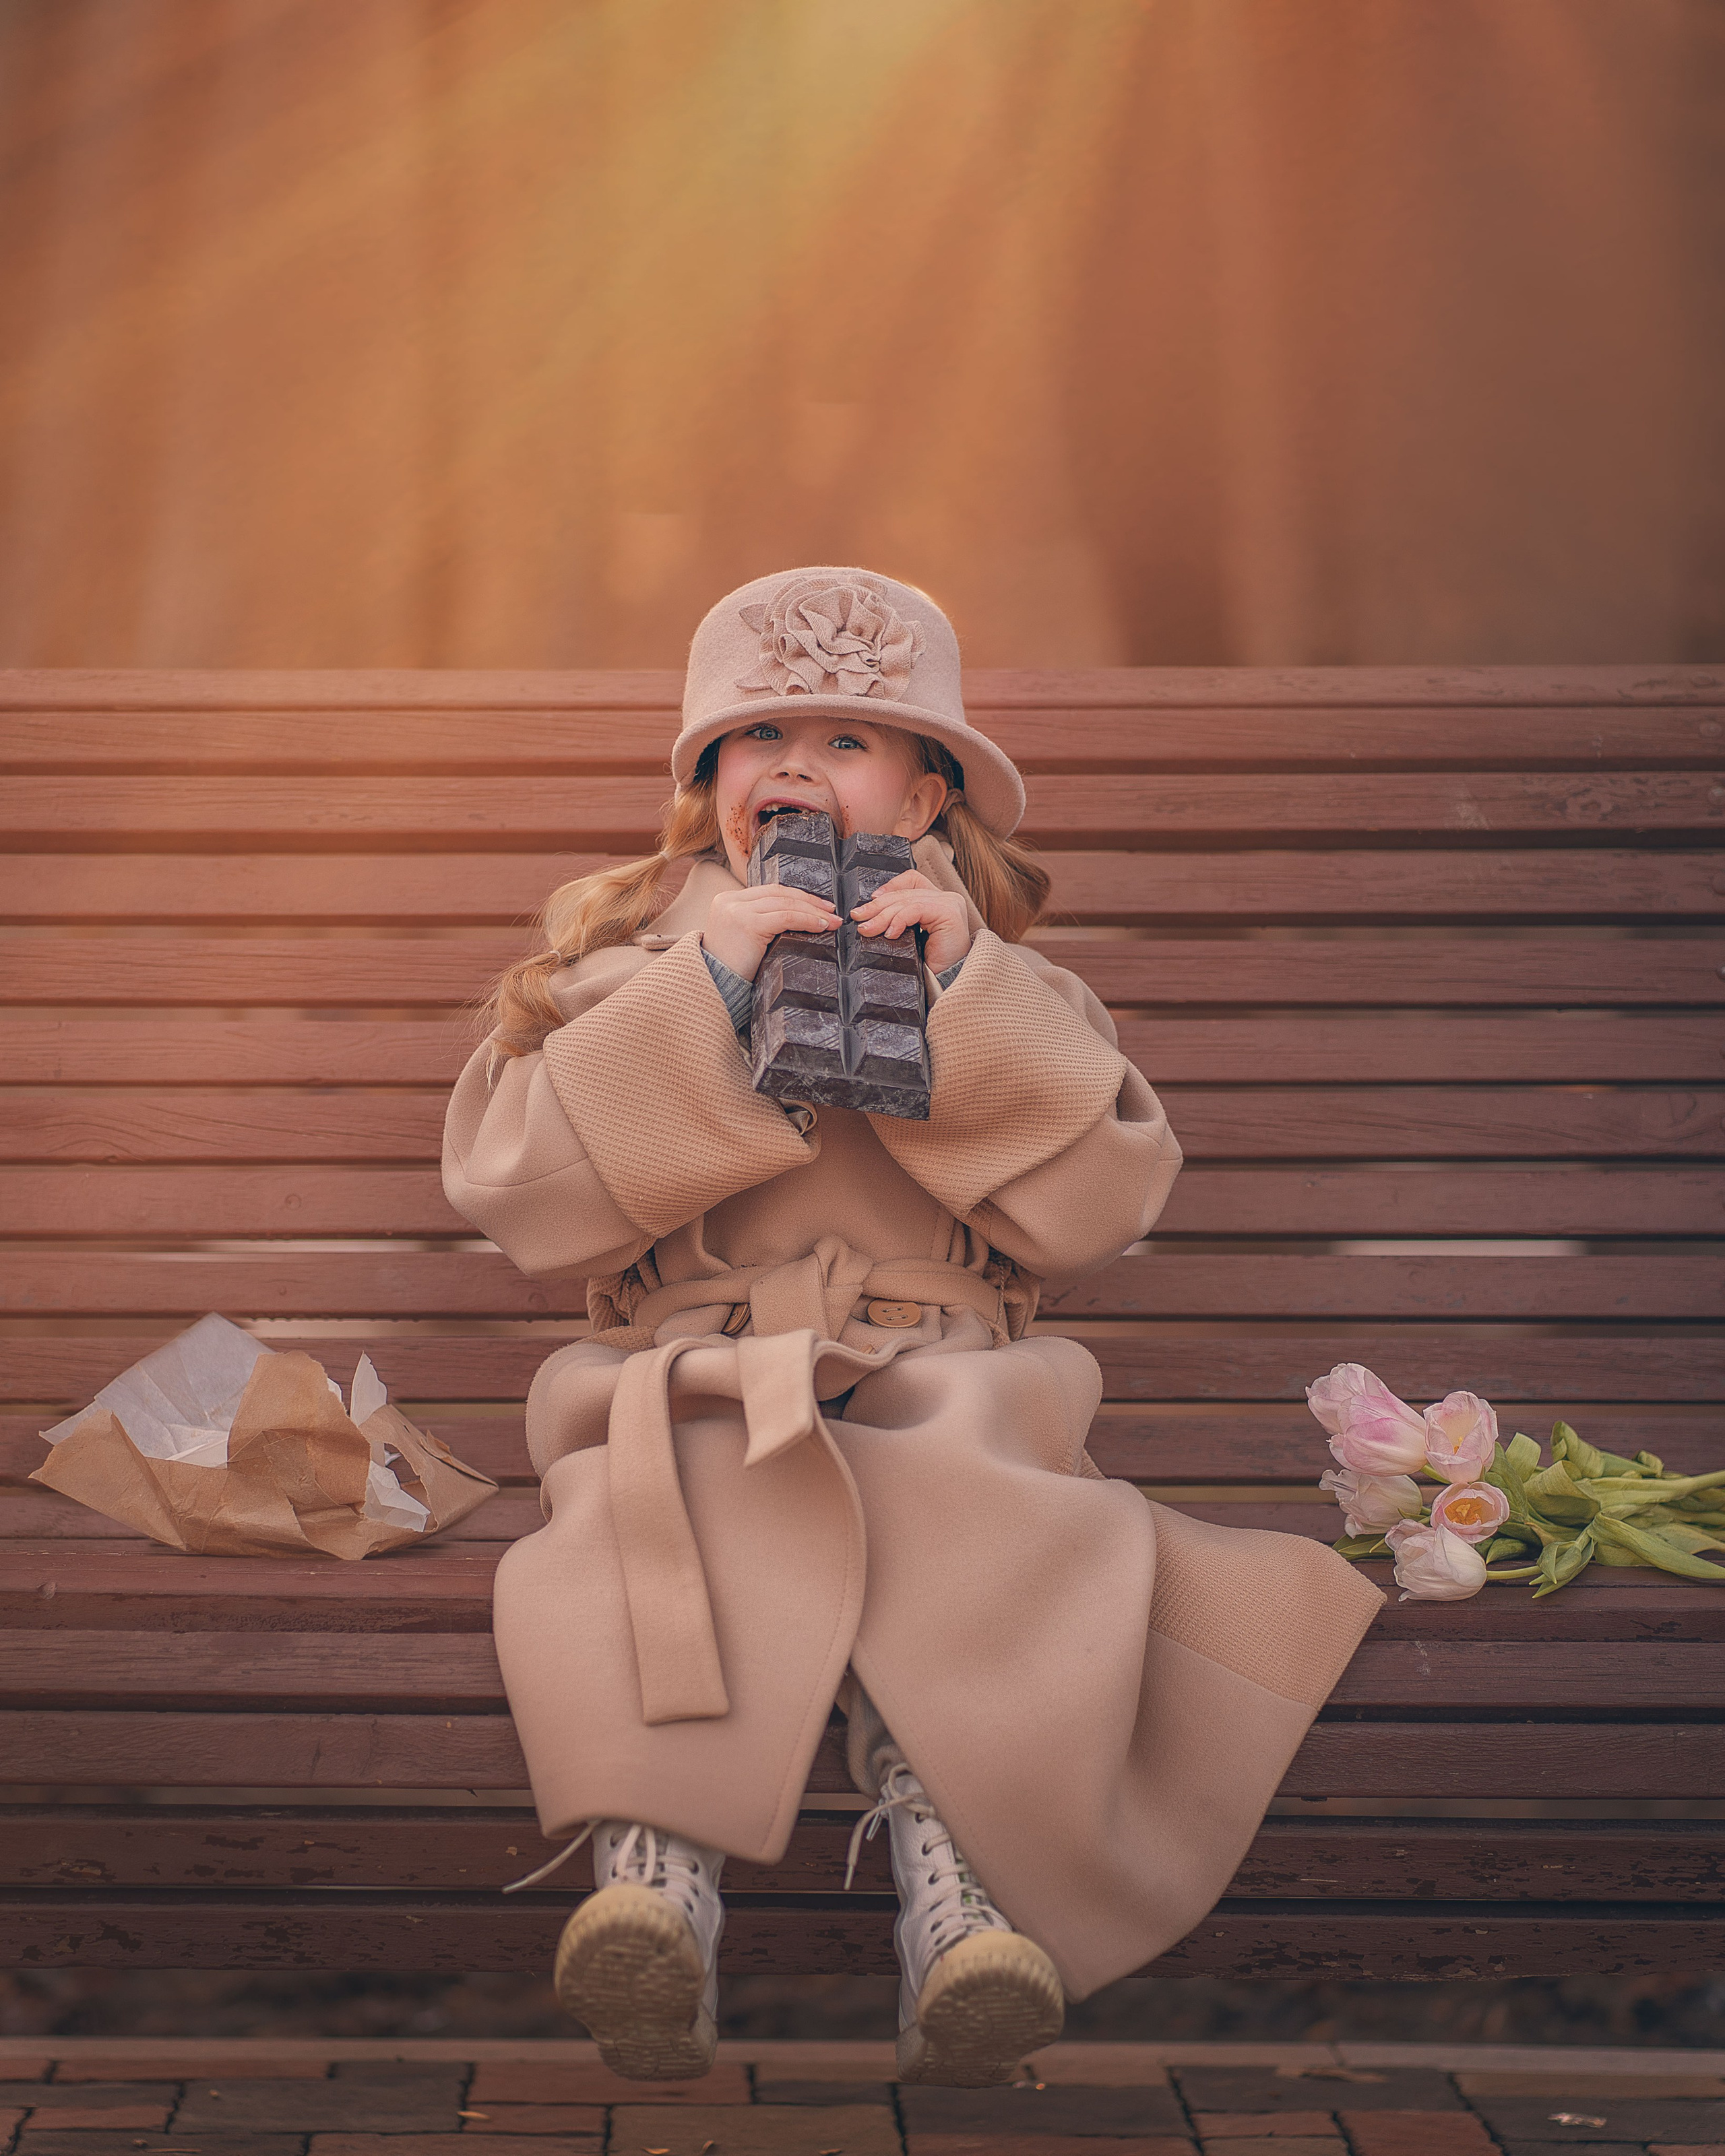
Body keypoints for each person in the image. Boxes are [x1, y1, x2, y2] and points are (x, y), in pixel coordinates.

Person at [443, 567, 1382, 2086]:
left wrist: (965, 994)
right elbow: (521, 1195)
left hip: (941, 1383)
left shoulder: (1012, 989)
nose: (797, 766)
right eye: (758, 736)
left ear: (929, 794)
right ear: (706, 782)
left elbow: (1097, 1208)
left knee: (978, 1540)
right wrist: (705, 991)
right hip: (697, 1378)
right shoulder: (610, 976)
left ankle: (964, 1909)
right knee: (662, 1532)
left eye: (848, 741)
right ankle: (654, 1893)